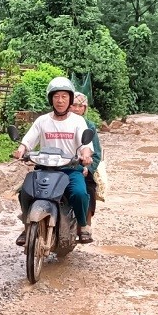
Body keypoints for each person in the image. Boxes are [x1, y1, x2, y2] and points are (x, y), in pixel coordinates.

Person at [14, 77, 95, 244]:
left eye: (64, 97)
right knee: (24, 192)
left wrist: (86, 155)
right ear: (51, 99)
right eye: (56, 96)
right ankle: (27, 226)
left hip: (70, 169)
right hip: (44, 168)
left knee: (80, 193)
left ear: (70, 99)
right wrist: (21, 150)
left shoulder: (78, 121)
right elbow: (28, 140)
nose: (60, 100)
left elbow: (85, 144)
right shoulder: (42, 121)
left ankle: (83, 225)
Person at [70, 92, 102, 226]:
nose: (77, 109)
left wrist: (87, 167)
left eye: (81, 106)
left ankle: (86, 222)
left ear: (85, 109)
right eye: (74, 105)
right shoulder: (58, 122)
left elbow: (96, 153)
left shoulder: (89, 126)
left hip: (80, 165)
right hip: (57, 163)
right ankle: (28, 222)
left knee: (89, 187)